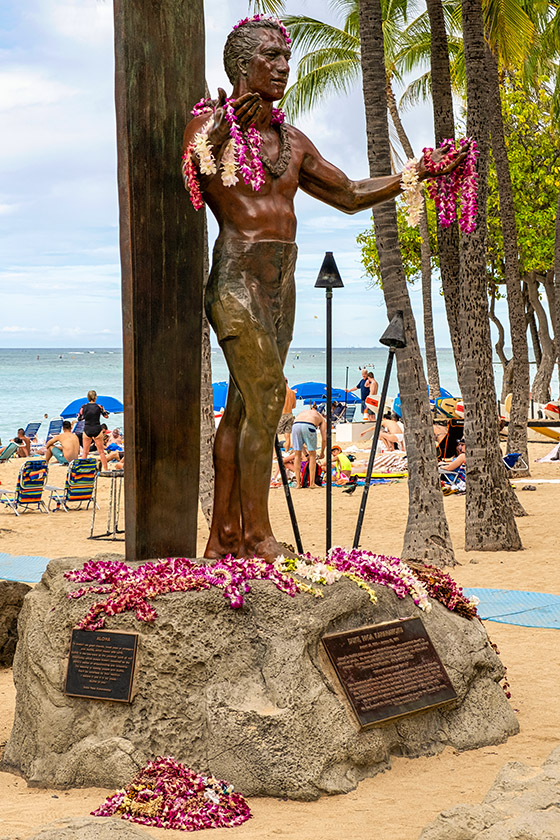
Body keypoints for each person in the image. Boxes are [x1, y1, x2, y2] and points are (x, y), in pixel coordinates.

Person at [182, 16, 468, 561]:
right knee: (268, 397)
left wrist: (420, 173)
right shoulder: (209, 127)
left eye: (287, 57)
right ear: (243, 65)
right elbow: (194, 174)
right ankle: (258, 537)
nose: (284, 67)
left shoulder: (291, 141)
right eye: (271, 56)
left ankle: (224, 539)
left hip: (282, 282)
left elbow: (352, 192)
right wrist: (220, 131)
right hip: (236, 277)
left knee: (246, 407)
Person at [291, 407, 326, 489]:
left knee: (297, 455)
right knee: (313, 455)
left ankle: (298, 484)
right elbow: (324, 439)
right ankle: (312, 483)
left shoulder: (303, 412)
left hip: (295, 425)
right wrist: (322, 452)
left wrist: (305, 454)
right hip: (309, 425)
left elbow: (301, 444)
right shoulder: (321, 418)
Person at [77, 390, 109, 471]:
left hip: (87, 428)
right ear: (95, 397)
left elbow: (79, 418)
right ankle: (105, 469)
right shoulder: (99, 406)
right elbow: (106, 416)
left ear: (88, 398)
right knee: (101, 452)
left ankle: (82, 469)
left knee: (85, 452)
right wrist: (104, 410)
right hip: (97, 428)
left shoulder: (83, 407)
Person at [277, 379, 296, 450]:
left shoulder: (280, 392)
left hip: (282, 415)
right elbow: (294, 406)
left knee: (274, 436)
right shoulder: (292, 392)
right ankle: (286, 451)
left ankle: (275, 454)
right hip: (290, 415)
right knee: (287, 436)